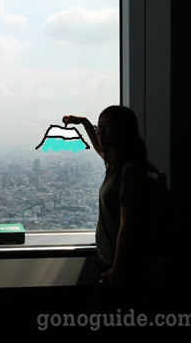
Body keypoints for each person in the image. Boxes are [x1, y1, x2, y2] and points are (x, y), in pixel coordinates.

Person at [63, 106, 152, 314]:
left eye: (108, 126)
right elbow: (100, 149)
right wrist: (85, 123)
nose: (101, 132)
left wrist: (118, 269)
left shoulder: (130, 171)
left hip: (121, 267)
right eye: (99, 126)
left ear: (125, 131)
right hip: (110, 261)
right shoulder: (116, 164)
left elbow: (127, 225)